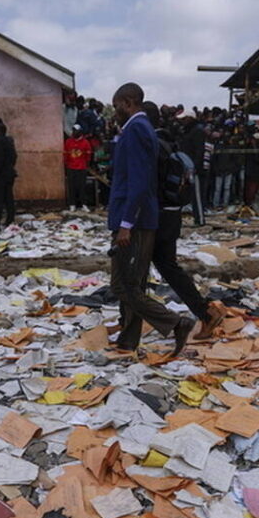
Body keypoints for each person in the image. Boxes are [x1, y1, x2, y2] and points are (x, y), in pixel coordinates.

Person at [106, 83, 194, 355]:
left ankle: (176, 323)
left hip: (135, 221)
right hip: (139, 218)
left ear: (128, 102)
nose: (115, 111)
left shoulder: (136, 130)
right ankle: (129, 338)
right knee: (135, 283)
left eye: (117, 106)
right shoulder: (139, 129)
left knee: (122, 285)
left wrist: (126, 224)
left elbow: (139, 181)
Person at [144, 102, 222, 339]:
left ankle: (132, 323)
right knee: (169, 267)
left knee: (136, 272)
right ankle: (205, 312)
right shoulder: (171, 142)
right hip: (173, 213)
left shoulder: (150, 144)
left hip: (154, 216)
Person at [0, 117, 17, 231]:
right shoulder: (10, 141)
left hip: (0, 176)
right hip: (9, 174)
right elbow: (14, 157)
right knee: (9, 199)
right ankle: (10, 220)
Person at [64, 124, 91, 212]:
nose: (74, 132)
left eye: (76, 131)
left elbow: (88, 156)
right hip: (71, 167)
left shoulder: (85, 142)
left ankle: (83, 204)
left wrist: (86, 165)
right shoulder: (68, 141)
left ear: (80, 132)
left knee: (82, 187)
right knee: (71, 187)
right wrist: (66, 164)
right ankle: (72, 204)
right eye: (73, 130)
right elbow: (66, 154)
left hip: (81, 167)